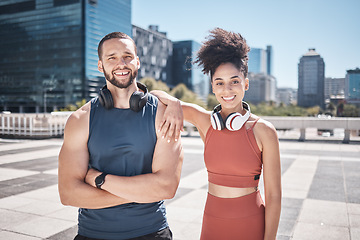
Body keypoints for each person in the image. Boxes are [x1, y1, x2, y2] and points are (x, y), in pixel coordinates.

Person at [152, 28, 281, 240]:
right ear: (212, 86)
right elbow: (153, 97)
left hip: (251, 223)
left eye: (235, 81)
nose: (227, 90)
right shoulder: (205, 122)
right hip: (212, 221)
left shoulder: (264, 131)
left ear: (246, 83)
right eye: (219, 82)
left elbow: (274, 196)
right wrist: (175, 103)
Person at [58, 32, 183, 240]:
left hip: (151, 232)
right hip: (92, 234)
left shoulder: (163, 113)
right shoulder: (80, 119)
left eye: (127, 56)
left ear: (138, 61)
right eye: (112, 58)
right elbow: (69, 193)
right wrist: (142, 192)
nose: (121, 64)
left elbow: (166, 186)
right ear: (100, 66)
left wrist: (98, 179)